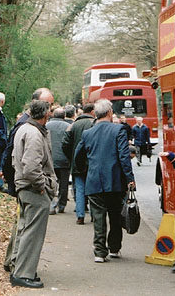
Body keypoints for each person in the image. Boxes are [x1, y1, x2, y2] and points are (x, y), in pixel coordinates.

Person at [74, 99, 135, 262]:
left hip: (94, 179)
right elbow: (124, 156)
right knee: (115, 215)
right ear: (109, 112)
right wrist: (129, 178)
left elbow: (78, 155)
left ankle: (100, 252)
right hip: (115, 181)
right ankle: (114, 248)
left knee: (98, 217)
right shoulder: (118, 130)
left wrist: (83, 169)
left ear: (95, 114)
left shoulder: (88, 133)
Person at [10, 100, 57, 289]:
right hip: (33, 189)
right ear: (45, 115)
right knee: (32, 233)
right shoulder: (34, 134)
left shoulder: (24, 129)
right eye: (49, 111)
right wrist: (42, 186)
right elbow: (31, 168)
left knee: (25, 230)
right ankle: (23, 274)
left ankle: (20, 269)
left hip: (25, 187)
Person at [62, 102, 95, 225]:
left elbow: (65, 143)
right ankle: (94, 215)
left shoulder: (74, 125)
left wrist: (71, 157)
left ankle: (80, 216)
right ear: (92, 112)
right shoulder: (95, 124)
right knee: (93, 190)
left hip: (77, 162)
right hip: (92, 162)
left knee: (79, 190)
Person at [45, 108, 71, 214]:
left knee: (50, 183)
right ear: (64, 116)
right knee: (64, 185)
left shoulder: (46, 126)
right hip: (64, 160)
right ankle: (61, 205)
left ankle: (51, 204)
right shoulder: (68, 126)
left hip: (50, 159)